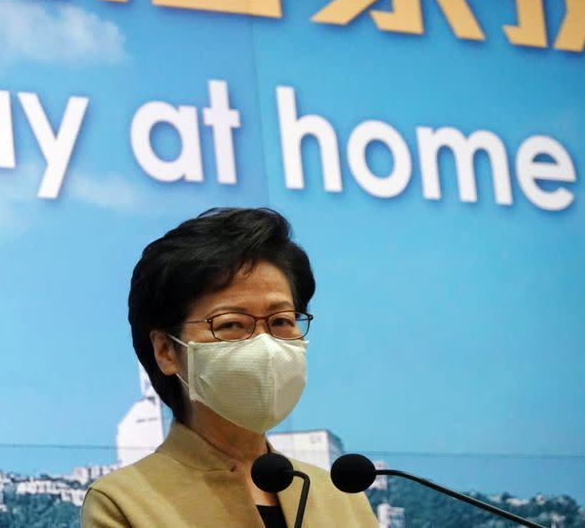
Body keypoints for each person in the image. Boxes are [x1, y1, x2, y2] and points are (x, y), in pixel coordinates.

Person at [82, 208, 376, 527]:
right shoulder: (126, 504)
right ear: (166, 351)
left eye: (280, 321)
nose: (264, 346)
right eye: (232, 324)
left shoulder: (342, 498)